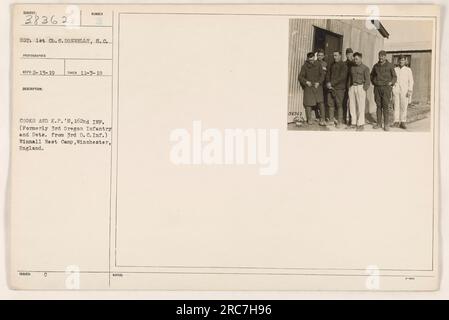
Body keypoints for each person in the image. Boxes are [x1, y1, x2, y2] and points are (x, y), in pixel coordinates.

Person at [370, 50, 397, 131]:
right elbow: (371, 75)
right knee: (378, 106)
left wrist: (391, 83)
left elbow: (394, 77)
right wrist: (374, 82)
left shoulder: (390, 65)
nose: (381, 57)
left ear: (385, 57)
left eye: (382, 56)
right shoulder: (376, 66)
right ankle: (378, 123)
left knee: (385, 106)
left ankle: (386, 124)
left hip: (386, 88)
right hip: (377, 88)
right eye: (380, 56)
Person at [298, 52, 326, 126]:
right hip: (309, 86)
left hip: (317, 86)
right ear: (308, 59)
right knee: (308, 103)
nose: (312, 61)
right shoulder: (304, 66)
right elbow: (300, 77)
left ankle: (322, 119)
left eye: (313, 60)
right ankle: (309, 119)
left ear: (314, 58)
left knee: (321, 102)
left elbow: (322, 75)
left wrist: (319, 82)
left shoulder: (318, 64)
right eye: (310, 60)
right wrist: (306, 82)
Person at [348, 52, 370, 131]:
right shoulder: (352, 68)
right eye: (354, 59)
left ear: (361, 58)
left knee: (361, 106)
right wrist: (349, 87)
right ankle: (353, 122)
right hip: (352, 87)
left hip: (360, 87)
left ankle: (360, 124)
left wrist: (364, 89)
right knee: (352, 105)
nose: (355, 61)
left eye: (357, 59)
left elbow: (368, 80)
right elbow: (350, 78)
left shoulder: (365, 68)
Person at [326, 51, 348, 127]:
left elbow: (342, 77)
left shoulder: (344, 65)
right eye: (334, 55)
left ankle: (339, 122)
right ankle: (331, 120)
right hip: (330, 88)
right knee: (330, 104)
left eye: (336, 55)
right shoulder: (332, 64)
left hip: (339, 89)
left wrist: (331, 83)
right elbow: (328, 74)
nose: (334, 57)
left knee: (339, 105)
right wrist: (328, 83)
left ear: (340, 56)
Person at [392, 55, 414, 129]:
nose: (401, 61)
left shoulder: (408, 70)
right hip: (396, 89)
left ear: (405, 61)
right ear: (398, 61)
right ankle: (396, 121)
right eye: (400, 60)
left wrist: (410, 90)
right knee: (396, 105)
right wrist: (393, 88)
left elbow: (411, 81)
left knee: (404, 106)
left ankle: (403, 122)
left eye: (403, 60)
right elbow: (392, 79)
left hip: (405, 90)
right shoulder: (395, 69)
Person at [315, 48, 327, 121]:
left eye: (321, 55)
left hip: (321, 84)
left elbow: (325, 74)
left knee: (321, 101)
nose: (320, 57)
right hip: (314, 84)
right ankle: (316, 116)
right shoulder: (314, 62)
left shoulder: (325, 64)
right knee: (314, 100)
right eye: (319, 55)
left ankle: (323, 117)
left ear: (323, 56)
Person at [343, 48, 355, 124]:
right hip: (345, 85)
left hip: (352, 85)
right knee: (345, 102)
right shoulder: (344, 63)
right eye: (348, 54)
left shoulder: (354, 63)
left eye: (351, 54)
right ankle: (346, 118)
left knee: (352, 103)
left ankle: (352, 118)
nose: (349, 56)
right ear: (346, 55)